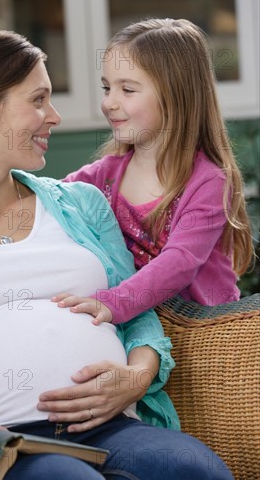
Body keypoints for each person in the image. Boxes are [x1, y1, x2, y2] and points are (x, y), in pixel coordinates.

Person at [0, 27, 245, 480]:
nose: (54, 116)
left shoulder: (79, 203)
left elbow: (135, 311)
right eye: (38, 100)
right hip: (1, 440)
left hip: (116, 425)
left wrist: (137, 376)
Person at [59, 18, 254, 326]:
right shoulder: (105, 174)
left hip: (204, 332)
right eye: (107, 88)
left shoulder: (208, 182)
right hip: (141, 326)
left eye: (127, 89)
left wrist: (114, 303)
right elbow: (52, 198)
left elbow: (180, 262)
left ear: (175, 94)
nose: (109, 102)